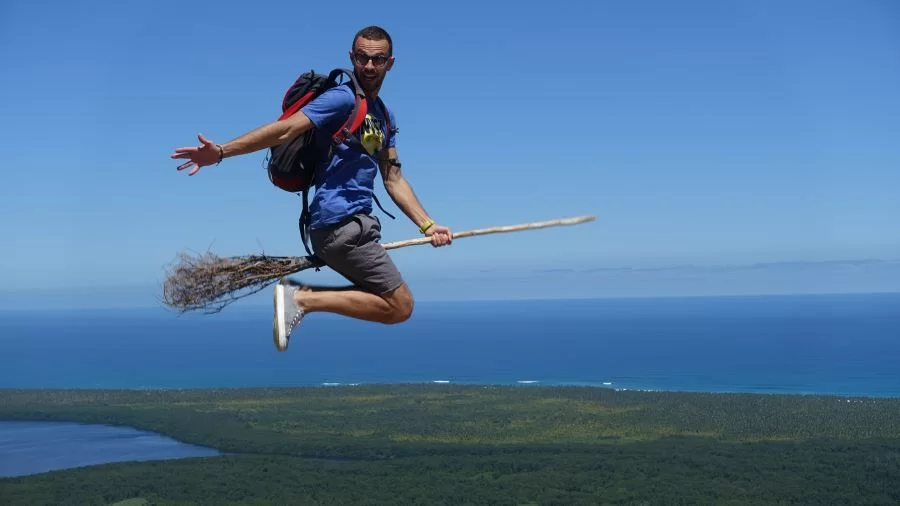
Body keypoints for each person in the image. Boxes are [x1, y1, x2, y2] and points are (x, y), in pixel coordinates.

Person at [169, 26, 453, 352]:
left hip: (354, 225)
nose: (369, 66)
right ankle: (302, 298)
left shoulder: (384, 117)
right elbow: (284, 130)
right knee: (400, 305)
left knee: (388, 301)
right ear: (352, 57)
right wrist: (221, 152)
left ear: (390, 63)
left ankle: (303, 297)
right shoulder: (342, 99)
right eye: (362, 57)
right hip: (340, 223)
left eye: (377, 59)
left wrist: (428, 225)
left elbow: (393, 178)